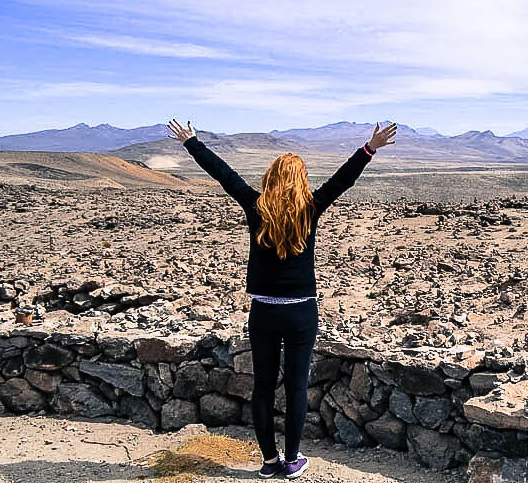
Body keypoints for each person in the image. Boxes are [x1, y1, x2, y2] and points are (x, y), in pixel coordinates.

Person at [166, 118, 397, 479]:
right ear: (301, 181)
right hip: (300, 313)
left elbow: (224, 175)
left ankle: (269, 461)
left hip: (263, 313)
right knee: (295, 386)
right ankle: (292, 460)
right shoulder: (311, 209)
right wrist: (369, 149)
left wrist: (192, 142)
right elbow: (342, 180)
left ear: (271, 178)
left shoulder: (255, 206)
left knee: (263, 386)